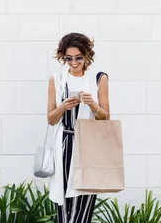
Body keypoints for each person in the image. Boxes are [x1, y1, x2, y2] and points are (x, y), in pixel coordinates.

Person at [46, 33, 110, 223]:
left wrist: (93, 105)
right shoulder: (56, 79)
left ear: (87, 56)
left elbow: (105, 118)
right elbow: (50, 119)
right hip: (65, 145)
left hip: (88, 147)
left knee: (84, 205)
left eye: (78, 57)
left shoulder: (99, 79)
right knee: (64, 208)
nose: (74, 63)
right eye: (68, 58)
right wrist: (63, 107)